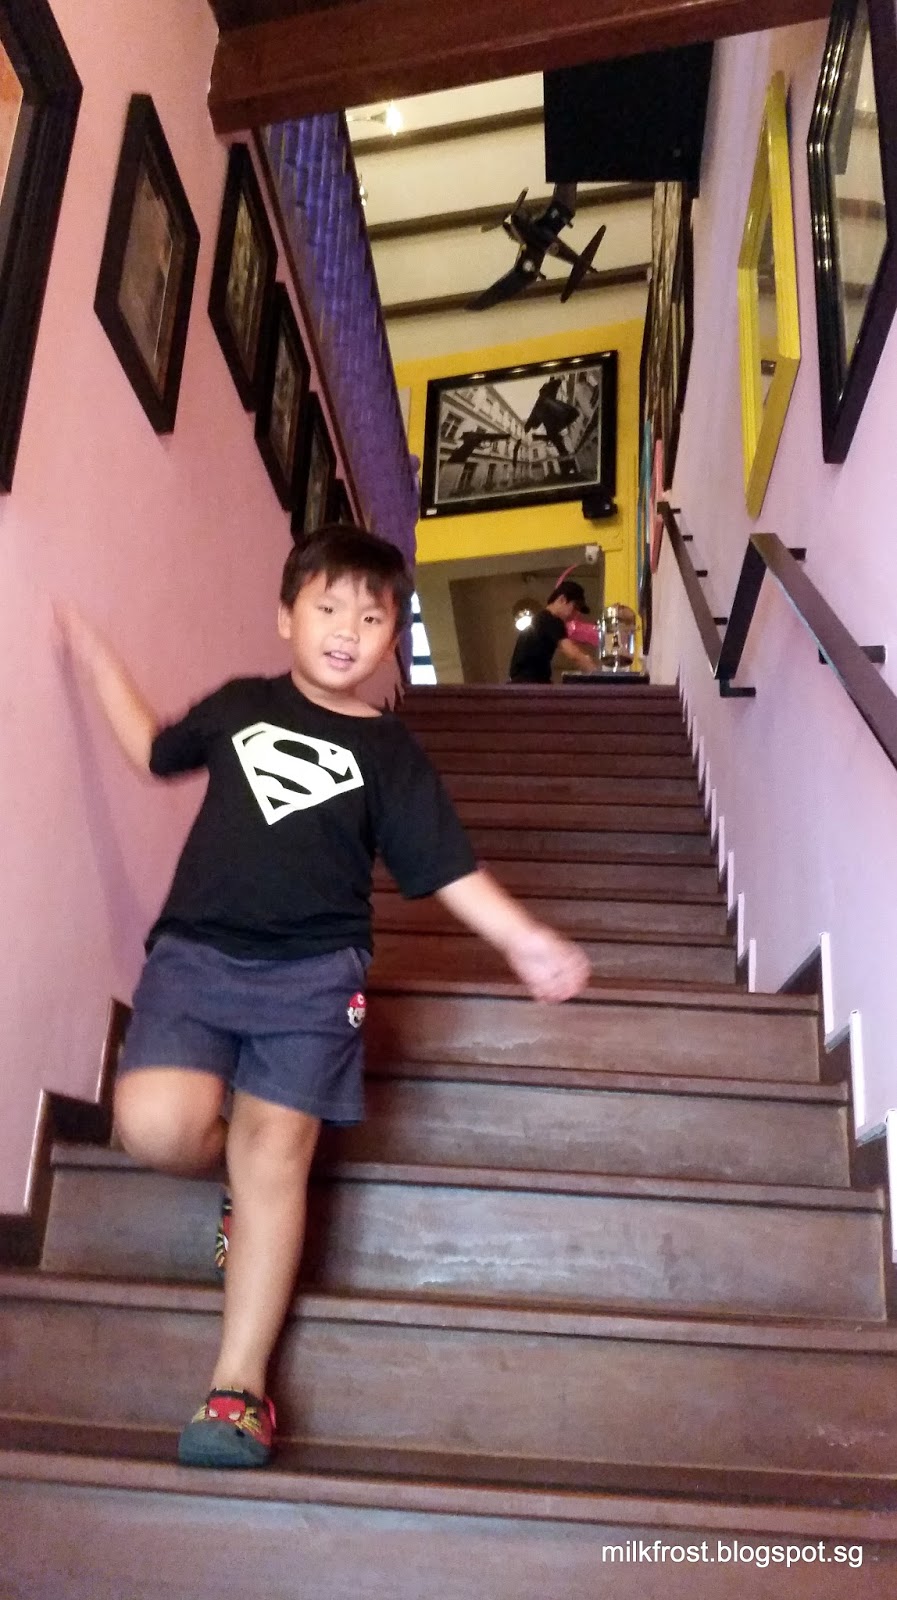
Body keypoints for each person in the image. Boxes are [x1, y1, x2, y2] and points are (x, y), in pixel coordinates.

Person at [55, 525, 590, 1471]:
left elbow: (444, 866)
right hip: (194, 957)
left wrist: (523, 939)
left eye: (372, 618)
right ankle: (236, 1183)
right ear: (286, 616)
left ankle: (237, 1388)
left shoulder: (388, 751)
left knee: (275, 1155)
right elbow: (154, 748)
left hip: (314, 976)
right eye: (329, 607)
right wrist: (99, 663)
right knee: (155, 1128)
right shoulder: (240, 705)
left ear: (392, 640)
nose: (348, 629)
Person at [508, 579, 597, 683]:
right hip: (530, 684)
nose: (575, 615)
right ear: (562, 599)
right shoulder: (552, 620)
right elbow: (573, 653)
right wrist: (596, 673)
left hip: (520, 684)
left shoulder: (540, 619)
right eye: (574, 607)